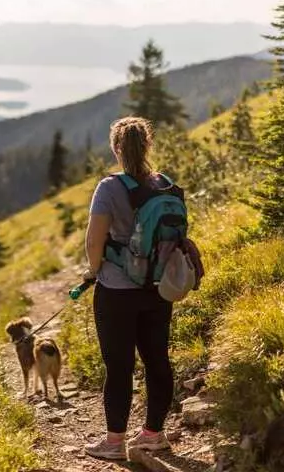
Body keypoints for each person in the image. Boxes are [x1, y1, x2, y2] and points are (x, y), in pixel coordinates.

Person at [82, 116, 175, 460]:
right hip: (157, 287)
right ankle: (153, 435)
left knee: (119, 367)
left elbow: (95, 241)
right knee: (157, 360)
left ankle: (114, 442)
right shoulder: (164, 184)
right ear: (148, 144)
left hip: (117, 291)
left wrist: (92, 272)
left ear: (116, 148)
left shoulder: (109, 188)